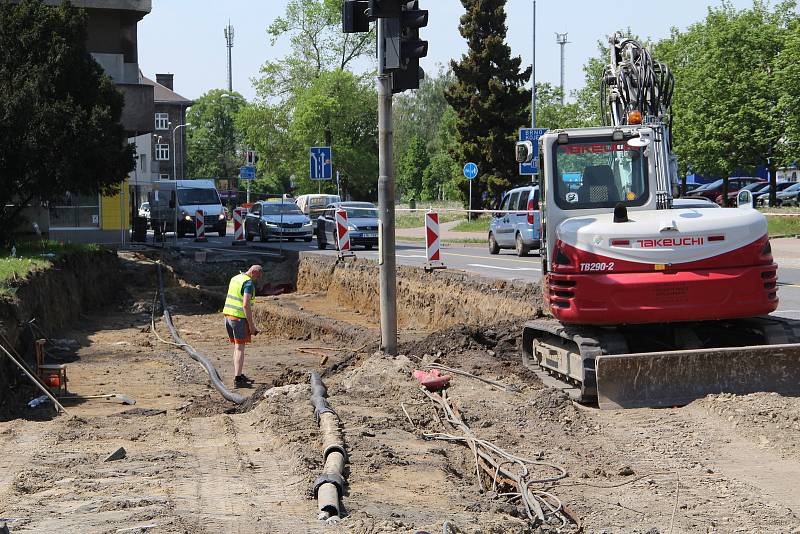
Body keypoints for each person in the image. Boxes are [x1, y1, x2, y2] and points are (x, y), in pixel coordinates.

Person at [223, 265, 262, 388]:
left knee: (236, 347)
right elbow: (245, 305)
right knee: (240, 348)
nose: (257, 279)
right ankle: (238, 380)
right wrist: (251, 326)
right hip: (238, 319)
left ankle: (238, 374)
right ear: (253, 272)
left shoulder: (236, 278)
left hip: (228, 316)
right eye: (258, 276)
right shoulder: (248, 283)